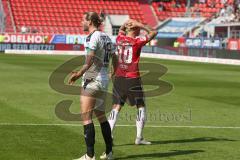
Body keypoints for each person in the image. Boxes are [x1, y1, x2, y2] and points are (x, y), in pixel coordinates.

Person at [68, 12, 116, 160]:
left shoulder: (92, 37)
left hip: (92, 78)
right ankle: (109, 153)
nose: (81, 22)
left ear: (90, 22)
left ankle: (89, 156)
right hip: (103, 80)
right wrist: (110, 75)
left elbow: (89, 62)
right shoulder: (107, 37)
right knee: (101, 117)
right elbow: (116, 59)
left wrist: (78, 74)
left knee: (86, 117)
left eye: (83, 19)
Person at [108, 19, 157, 145]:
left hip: (119, 77)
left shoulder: (119, 39)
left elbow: (120, 31)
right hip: (132, 78)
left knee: (116, 107)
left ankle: (109, 136)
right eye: (138, 29)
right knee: (141, 106)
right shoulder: (137, 42)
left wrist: (126, 23)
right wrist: (140, 24)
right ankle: (139, 137)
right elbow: (154, 32)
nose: (140, 30)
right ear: (135, 30)